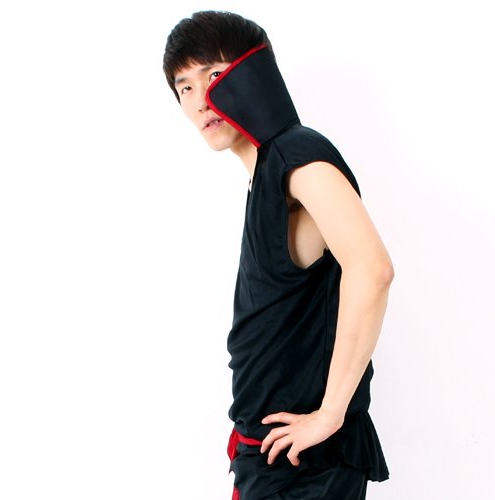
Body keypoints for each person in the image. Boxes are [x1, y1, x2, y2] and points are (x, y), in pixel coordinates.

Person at [163, 10, 394, 500]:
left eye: (215, 76)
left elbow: (372, 268)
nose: (201, 99)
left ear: (254, 71)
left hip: (307, 469)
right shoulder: (267, 173)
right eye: (185, 87)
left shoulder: (296, 154)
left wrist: (330, 415)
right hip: (270, 461)